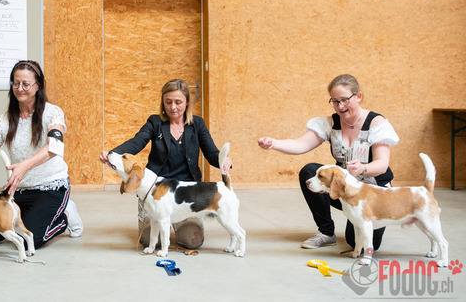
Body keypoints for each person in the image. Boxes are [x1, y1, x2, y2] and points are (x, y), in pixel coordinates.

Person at [257, 74, 399, 252]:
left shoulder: (376, 123)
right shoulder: (330, 123)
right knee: (310, 171)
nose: (340, 106)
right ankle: (326, 232)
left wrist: (363, 168)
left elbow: (382, 165)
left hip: (373, 192)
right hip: (343, 188)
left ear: (358, 96)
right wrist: (273, 143)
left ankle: (360, 221)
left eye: (345, 100)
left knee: (360, 245)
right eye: (335, 101)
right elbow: (300, 145)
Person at [0, 60, 83, 249]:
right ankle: (31, 217)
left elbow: (55, 147)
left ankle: (65, 215)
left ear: (38, 85)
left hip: (51, 188)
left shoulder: (52, 113)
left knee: (30, 240)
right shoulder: (4, 121)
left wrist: (24, 166)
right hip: (18, 191)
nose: (20, 89)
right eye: (16, 83)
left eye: (26, 84)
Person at [99, 79, 232, 250]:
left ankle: (176, 224)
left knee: (192, 241)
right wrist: (113, 155)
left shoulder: (197, 124)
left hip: (186, 194)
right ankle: (162, 224)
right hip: (155, 191)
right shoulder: (155, 122)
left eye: (178, 102)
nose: (173, 107)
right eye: (168, 102)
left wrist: (223, 159)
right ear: (163, 102)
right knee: (149, 241)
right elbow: (136, 142)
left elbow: (211, 153)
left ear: (187, 102)